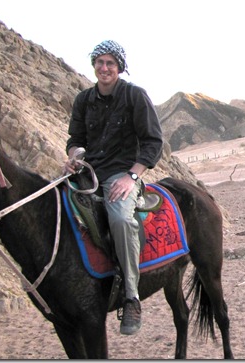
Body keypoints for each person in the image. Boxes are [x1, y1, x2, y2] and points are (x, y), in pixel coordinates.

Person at [64, 40, 163, 335]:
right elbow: (75, 139)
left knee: (120, 217)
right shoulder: (83, 100)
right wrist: (73, 157)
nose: (104, 68)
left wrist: (131, 176)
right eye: (99, 62)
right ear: (94, 66)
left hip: (121, 174)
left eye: (110, 63)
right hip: (88, 172)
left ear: (119, 67)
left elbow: (153, 143)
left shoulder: (134, 96)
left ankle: (131, 297)